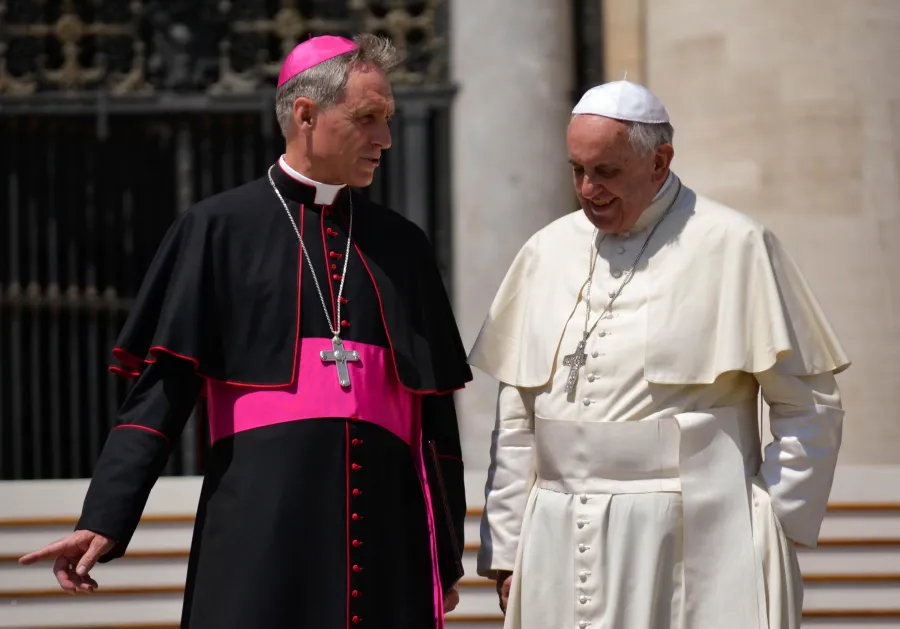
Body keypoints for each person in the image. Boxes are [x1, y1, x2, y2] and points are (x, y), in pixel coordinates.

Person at [18, 33, 472, 629]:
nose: (385, 139)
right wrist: (105, 516)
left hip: (387, 543)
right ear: (306, 115)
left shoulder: (402, 245)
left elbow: (436, 422)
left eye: (388, 119)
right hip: (260, 534)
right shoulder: (217, 228)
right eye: (367, 119)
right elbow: (160, 393)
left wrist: (443, 558)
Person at [468, 80, 849, 629]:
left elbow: (808, 405)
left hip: (695, 536)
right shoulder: (546, 250)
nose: (588, 188)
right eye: (576, 170)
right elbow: (517, 416)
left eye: (606, 171)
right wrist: (505, 548)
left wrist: (771, 522)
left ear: (660, 160)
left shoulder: (735, 244)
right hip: (554, 533)